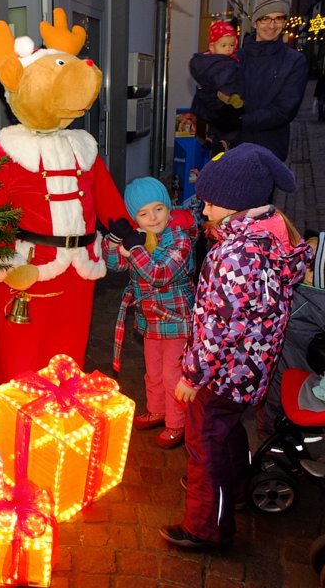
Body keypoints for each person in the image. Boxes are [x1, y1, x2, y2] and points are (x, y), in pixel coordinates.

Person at [159, 143, 312, 549]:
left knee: (204, 443)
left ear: (236, 202)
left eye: (210, 203)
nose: (204, 210)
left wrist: (193, 374)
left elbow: (220, 326)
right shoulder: (268, 235)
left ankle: (206, 526)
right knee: (225, 433)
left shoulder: (237, 253)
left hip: (225, 372)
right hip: (250, 369)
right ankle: (236, 489)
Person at [105, 178, 196, 449]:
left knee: (173, 375)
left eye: (158, 209)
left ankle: (176, 422)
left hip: (177, 320)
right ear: (135, 219)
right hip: (149, 320)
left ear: (169, 209)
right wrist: (114, 240)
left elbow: (159, 274)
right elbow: (115, 265)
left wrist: (134, 248)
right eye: (143, 213)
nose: (153, 217)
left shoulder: (179, 239)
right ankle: (157, 410)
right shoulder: (138, 238)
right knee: (153, 370)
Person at [257, 231, 325, 440]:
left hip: (283, 380)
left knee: (275, 413)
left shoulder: (298, 305)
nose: (295, 255)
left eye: (303, 256)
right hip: (311, 377)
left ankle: (272, 442)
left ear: (312, 275)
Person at [234, 0, 308, 161]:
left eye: (278, 19)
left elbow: (284, 110)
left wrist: (239, 121)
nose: (272, 25)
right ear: (255, 22)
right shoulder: (236, 57)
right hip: (233, 146)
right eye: (265, 18)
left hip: (268, 150)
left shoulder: (294, 61)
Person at [189, 20, 244, 155]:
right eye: (223, 45)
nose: (228, 49)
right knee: (230, 130)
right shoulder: (223, 64)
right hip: (223, 106)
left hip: (205, 110)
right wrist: (234, 96)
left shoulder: (203, 61)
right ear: (212, 47)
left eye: (231, 45)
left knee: (214, 128)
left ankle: (211, 139)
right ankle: (221, 142)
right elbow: (225, 83)